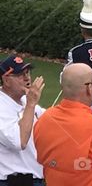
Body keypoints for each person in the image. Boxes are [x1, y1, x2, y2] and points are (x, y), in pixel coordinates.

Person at [0, 54, 45, 186]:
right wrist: (31, 104)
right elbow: (19, 142)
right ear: (6, 79)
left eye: (28, 73)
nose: (27, 78)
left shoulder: (25, 100)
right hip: (11, 182)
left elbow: (48, 120)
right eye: (20, 74)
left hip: (34, 179)